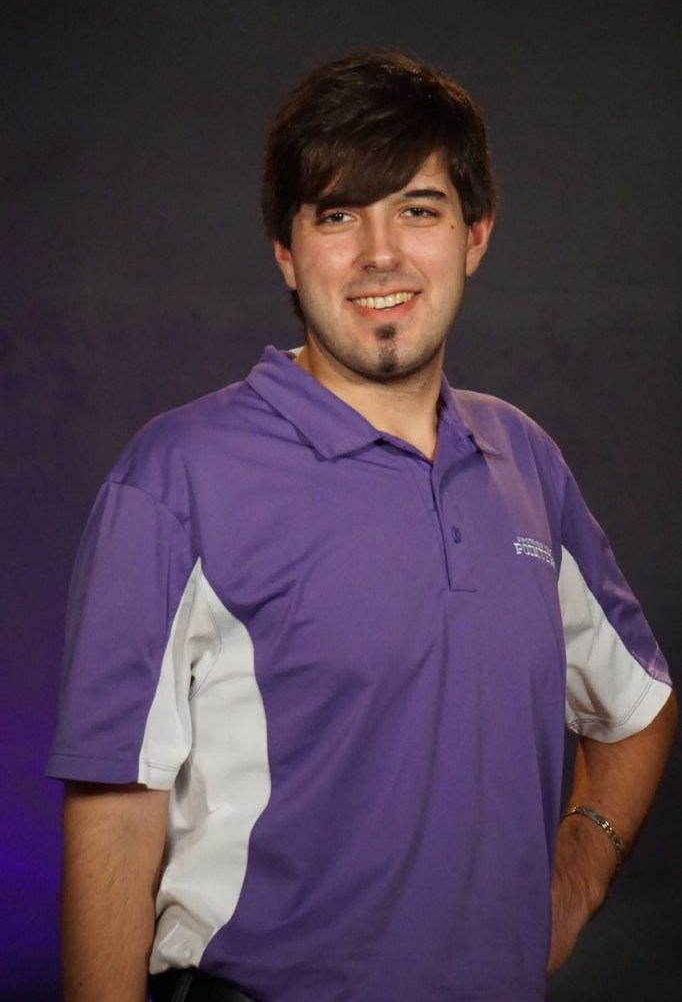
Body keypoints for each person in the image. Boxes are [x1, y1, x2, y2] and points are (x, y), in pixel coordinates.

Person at [48, 51, 676, 1002]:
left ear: (474, 235)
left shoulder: (525, 464)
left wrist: (576, 878)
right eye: (338, 214)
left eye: (418, 209)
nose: (381, 253)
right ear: (287, 254)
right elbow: (114, 821)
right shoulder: (176, 478)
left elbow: (640, 706)